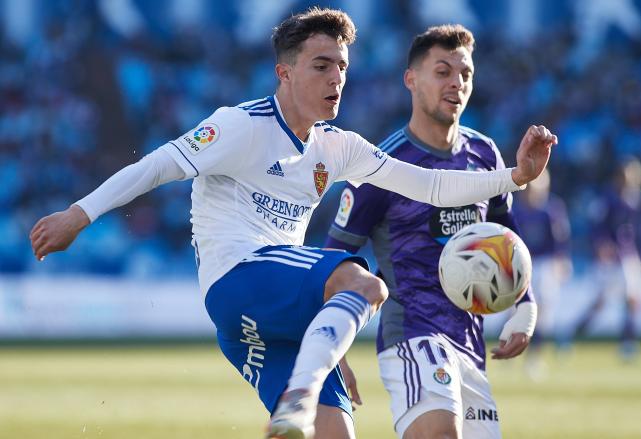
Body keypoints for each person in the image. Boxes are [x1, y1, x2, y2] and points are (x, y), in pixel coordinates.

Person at [29, 9, 557, 439]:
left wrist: (514, 175)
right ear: (285, 72)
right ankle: (299, 398)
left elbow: (431, 186)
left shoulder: (337, 145)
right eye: (321, 66)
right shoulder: (240, 125)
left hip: (263, 321)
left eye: (343, 67)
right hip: (238, 279)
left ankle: (301, 398)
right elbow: (159, 164)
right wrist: (80, 214)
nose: (337, 79)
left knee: (337, 435)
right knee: (366, 282)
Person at [325, 25, 539, 439]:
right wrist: (332, 351)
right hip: (412, 333)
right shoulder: (380, 166)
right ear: (411, 79)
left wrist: (525, 308)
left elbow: (507, 237)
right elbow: (334, 259)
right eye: (443, 71)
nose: (456, 84)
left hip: (470, 343)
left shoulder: (485, 154)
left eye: (465, 74)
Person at [573, 157, 641, 359]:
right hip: (611, 259)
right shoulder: (606, 199)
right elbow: (596, 227)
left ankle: (628, 342)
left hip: (628, 257)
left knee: (632, 299)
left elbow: (638, 232)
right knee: (601, 302)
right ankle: (575, 332)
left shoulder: (636, 199)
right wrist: (600, 245)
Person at [513, 170, 572, 377]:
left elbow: (560, 240)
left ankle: (534, 356)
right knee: (520, 311)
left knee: (543, 312)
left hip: (545, 264)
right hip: (522, 263)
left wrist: (561, 260)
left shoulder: (551, 210)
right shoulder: (517, 210)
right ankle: (511, 348)